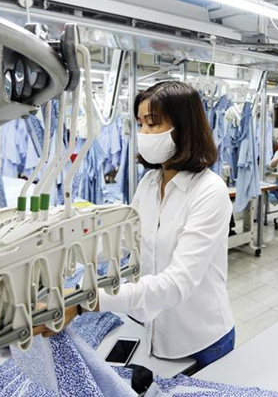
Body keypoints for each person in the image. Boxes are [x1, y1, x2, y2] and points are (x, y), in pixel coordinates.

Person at [36, 81, 235, 370]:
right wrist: (62, 254)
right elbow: (124, 243)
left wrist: (83, 301)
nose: (143, 133)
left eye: (152, 123)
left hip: (202, 342)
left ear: (184, 127)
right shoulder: (149, 183)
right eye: (140, 124)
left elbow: (176, 284)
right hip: (154, 331)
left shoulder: (210, 192)